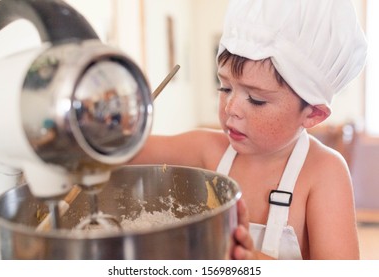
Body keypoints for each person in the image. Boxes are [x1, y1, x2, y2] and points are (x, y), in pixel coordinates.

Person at [130, 0, 367, 259]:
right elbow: (125, 151)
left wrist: (254, 262)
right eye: (225, 88)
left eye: (256, 99)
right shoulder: (207, 149)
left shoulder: (324, 173)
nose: (231, 107)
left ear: (313, 113)